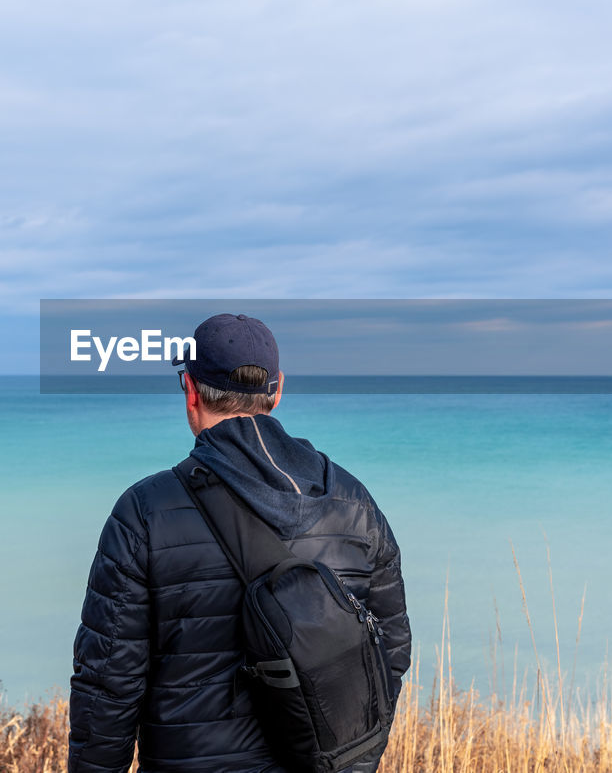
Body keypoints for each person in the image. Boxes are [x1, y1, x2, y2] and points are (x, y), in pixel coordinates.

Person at [69, 313, 411, 773]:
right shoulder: (354, 503)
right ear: (278, 389)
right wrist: (352, 756)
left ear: (190, 390)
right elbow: (390, 648)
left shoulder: (143, 513)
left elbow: (107, 685)